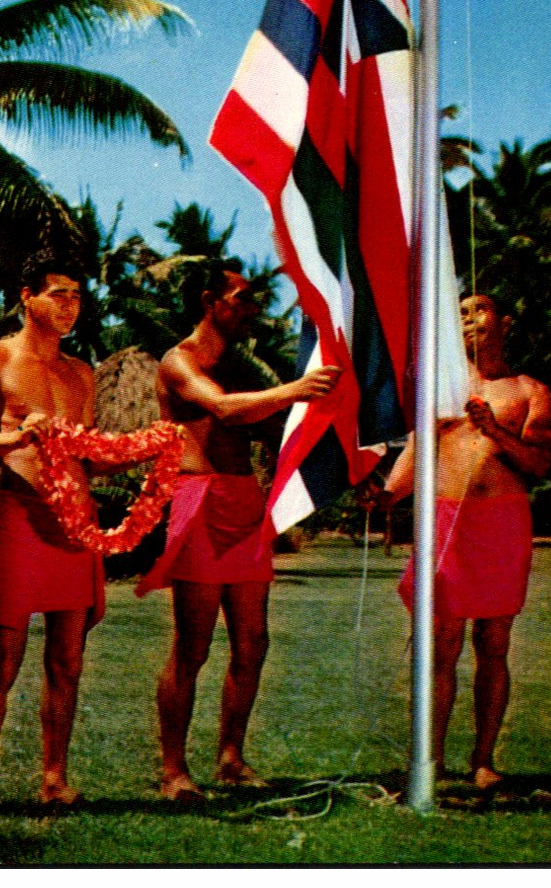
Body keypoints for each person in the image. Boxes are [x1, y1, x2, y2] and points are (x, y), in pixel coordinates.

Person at [140, 259, 340, 802]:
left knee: (252, 643)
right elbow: (224, 411)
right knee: (194, 645)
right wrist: (297, 389)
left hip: (243, 501)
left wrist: (338, 447)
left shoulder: (239, 366)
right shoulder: (178, 360)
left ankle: (231, 757)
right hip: (199, 500)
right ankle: (173, 771)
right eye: (244, 297)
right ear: (211, 303)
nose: (254, 308)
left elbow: (275, 427)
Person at [364, 294, 551, 791]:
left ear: (505, 320)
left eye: (482, 309)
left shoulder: (529, 390)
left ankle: (484, 760)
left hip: (503, 522)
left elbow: (538, 464)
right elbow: (418, 451)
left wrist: (494, 430)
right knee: (441, 645)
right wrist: (386, 495)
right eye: (461, 311)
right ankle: (433, 757)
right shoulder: (439, 386)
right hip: (445, 523)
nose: (470, 318)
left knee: (494, 644)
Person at [0, 251, 101, 814]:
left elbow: (88, 453)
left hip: (75, 524)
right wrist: (12, 441)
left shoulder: (81, 372)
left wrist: (145, 451)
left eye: (77, 296)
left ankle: (55, 777)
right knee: (3, 660)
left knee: (68, 661)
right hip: (21, 514)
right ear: (26, 296)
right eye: (58, 294)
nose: (69, 306)